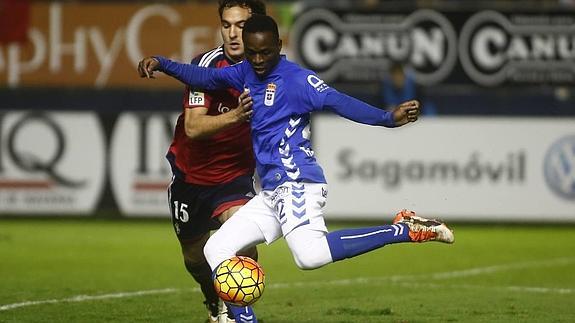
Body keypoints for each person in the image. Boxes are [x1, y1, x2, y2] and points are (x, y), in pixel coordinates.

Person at [140, 14, 454, 319]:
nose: (259, 60)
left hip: (297, 182)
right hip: (272, 192)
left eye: (265, 52)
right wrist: (162, 63)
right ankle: (244, 320)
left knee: (309, 256)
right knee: (216, 251)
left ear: (279, 45)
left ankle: (403, 229)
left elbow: (339, 101)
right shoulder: (246, 72)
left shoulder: (298, 80)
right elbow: (204, 77)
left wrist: (387, 118)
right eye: (252, 53)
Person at [164, 1, 265, 323]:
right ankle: (213, 300)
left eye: (242, 26)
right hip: (191, 176)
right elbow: (193, 128)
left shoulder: (270, 70)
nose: (233, 34)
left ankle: (239, 313)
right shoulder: (207, 67)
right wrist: (237, 116)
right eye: (227, 25)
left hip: (234, 177)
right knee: (194, 257)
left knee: (244, 243)